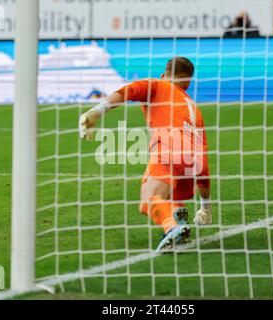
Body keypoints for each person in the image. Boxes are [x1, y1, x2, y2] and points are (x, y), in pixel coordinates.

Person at [79, 57, 212, 252]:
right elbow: (204, 162)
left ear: (164, 75)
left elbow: (128, 91)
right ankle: (177, 213)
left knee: (149, 199)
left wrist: (95, 112)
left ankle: (171, 228)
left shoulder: (157, 84)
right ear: (188, 83)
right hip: (195, 162)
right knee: (170, 194)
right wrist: (206, 207)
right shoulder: (194, 109)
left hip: (168, 148)